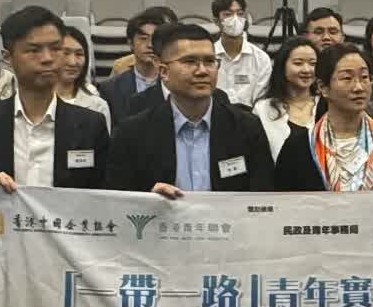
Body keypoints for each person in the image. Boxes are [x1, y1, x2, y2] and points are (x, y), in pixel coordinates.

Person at [107, 23, 276, 194]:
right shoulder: (132, 133)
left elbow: (263, 196)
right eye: (190, 62)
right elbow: (117, 198)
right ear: (164, 72)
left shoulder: (246, 128)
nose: (202, 71)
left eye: (209, 61)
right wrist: (149, 197)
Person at [0, 6, 110, 189]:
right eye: (34, 50)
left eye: (56, 48)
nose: (47, 58)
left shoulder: (90, 126)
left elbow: (102, 197)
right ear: (7, 57)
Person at [275, 43, 373, 193]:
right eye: (347, 78)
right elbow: (281, 203)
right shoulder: (299, 148)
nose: (359, 87)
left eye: (364, 77)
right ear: (323, 87)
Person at [100, 7, 178, 124]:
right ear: (130, 43)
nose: (150, 45)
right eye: (143, 39)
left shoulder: (176, 83)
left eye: (155, 39)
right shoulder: (110, 88)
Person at [252, 37, 320, 161]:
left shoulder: (328, 104)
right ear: (282, 66)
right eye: (298, 63)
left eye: (313, 64)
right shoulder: (263, 109)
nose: (307, 69)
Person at [211, 0, 271, 107]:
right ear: (216, 21)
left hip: (250, 115)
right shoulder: (208, 56)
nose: (235, 19)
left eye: (240, 13)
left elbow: (261, 102)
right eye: (228, 14)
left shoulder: (261, 58)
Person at [56, 25, 113, 131]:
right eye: (65, 53)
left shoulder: (97, 105)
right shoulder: (36, 100)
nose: (73, 62)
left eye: (79, 54)